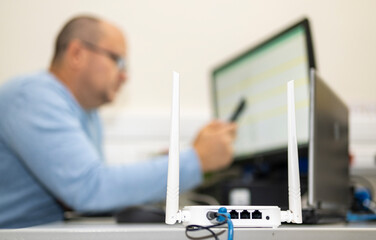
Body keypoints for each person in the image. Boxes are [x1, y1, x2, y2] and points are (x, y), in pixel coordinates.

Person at [0, 15, 237, 228]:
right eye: (118, 61)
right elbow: (90, 189)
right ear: (76, 54)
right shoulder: (33, 96)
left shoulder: (86, 112)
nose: (125, 76)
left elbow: (92, 187)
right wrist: (195, 160)